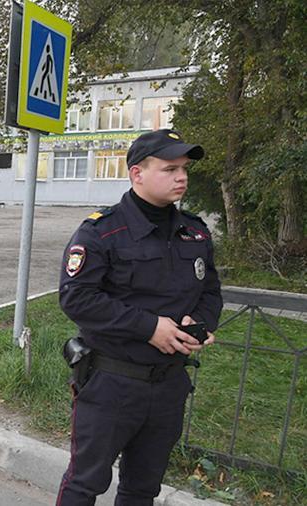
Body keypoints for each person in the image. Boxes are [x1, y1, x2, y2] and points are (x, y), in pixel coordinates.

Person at [56, 129, 223, 505]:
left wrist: (200, 325)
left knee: (142, 489)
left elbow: (210, 290)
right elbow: (76, 297)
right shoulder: (102, 231)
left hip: (168, 384)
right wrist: (150, 328)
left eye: (184, 169)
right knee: (85, 483)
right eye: (169, 169)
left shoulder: (194, 232)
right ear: (137, 174)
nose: (181, 177)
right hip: (112, 383)